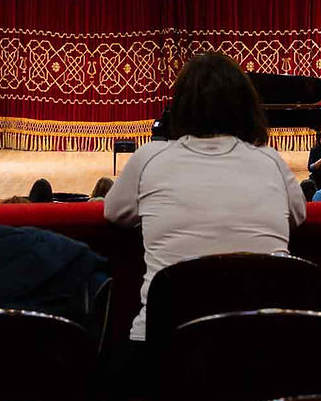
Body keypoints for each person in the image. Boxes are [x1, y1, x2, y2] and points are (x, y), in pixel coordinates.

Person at [103, 51, 306, 344]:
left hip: (165, 349)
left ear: (181, 106)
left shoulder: (149, 158)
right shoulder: (270, 160)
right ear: (246, 107)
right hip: (265, 349)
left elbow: (113, 212)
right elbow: (298, 216)